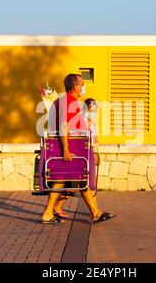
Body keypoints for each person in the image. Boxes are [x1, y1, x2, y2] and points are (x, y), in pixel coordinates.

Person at [41, 74, 115, 224]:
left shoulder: (63, 101)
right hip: (70, 149)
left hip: (71, 148)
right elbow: (64, 126)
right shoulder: (69, 102)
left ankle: (95, 213)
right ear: (75, 86)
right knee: (66, 178)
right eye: (81, 84)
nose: (82, 87)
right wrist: (66, 150)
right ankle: (49, 212)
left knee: (77, 179)